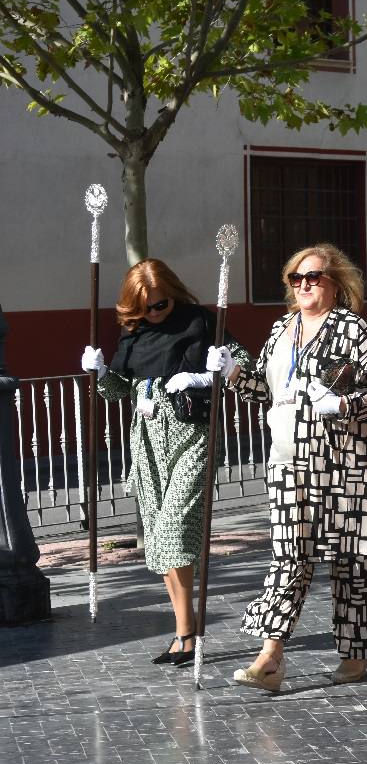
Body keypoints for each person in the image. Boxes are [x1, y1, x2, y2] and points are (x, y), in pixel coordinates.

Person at [207, 244, 367, 690]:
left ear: (335, 281)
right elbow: (267, 390)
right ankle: (271, 656)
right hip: (287, 461)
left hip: (344, 462)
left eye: (313, 277)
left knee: (356, 560)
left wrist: (341, 403)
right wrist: (236, 374)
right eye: (295, 279)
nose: (303, 285)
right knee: (288, 557)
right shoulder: (282, 329)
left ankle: (355, 652)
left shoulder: (352, 329)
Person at [80, 260, 248, 667]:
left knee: (173, 530)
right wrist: (99, 371)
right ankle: (184, 633)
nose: (154, 313)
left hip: (192, 436)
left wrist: (207, 375)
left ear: (173, 292)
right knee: (157, 539)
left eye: (160, 304)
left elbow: (240, 363)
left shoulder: (201, 323)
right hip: (148, 441)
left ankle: (188, 633)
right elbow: (118, 390)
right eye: (145, 308)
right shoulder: (134, 335)